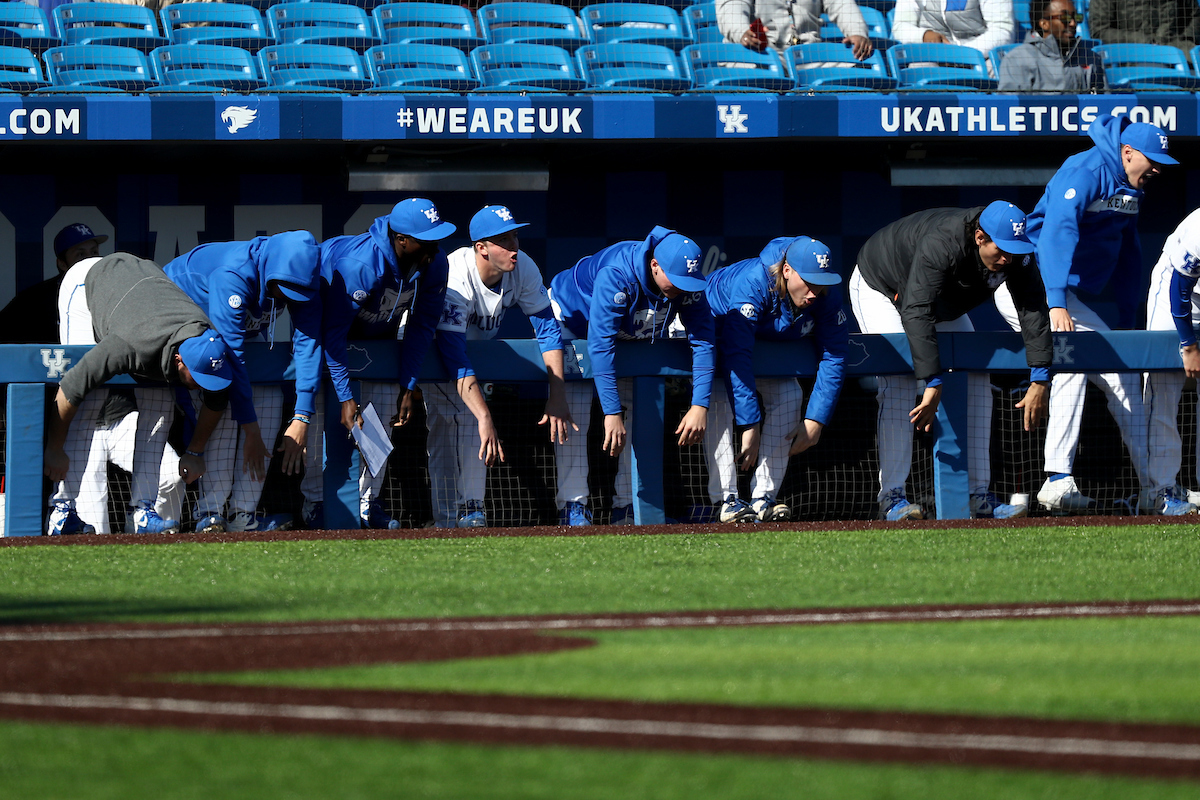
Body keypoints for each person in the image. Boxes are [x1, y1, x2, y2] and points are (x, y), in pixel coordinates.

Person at [993, 115, 1191, 515]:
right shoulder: (1086, 170)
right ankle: (1056, 479)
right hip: (1028, 285)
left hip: (1062, 294)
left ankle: (1155, 489)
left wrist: (1124, 315)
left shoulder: (1132, 188)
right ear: (1128, 152)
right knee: (1076, 358)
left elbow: (1128, 249)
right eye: (1150, 159)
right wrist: (1056, 301)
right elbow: (1055, 233)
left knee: (1124, 381)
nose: (1155, 168)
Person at [851, 201, 1052, 521]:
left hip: (938, 300)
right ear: (979, 237)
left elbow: (1033, 308)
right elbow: (917, 310)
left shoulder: (1013, 254)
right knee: (900, 381)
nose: (1007, 259)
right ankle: (892, 496)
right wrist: (931, 379)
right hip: (883, 286)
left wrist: (1040, 376)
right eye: (1001, 250)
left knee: (975, 375)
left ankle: (977, 494)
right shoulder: (943, 243)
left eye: (1014, 251)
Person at [47, 252, 234, 535]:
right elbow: (70, 389)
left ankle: (142, 512)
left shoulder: (208, 344)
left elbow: (216, 400)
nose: (203, 385)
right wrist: (54, 448)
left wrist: (195, 450)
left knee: (160, 404)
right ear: (179, 360)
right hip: (88, 282)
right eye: (198, 378)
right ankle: (62, 511)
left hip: (142, 286)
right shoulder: (133, 343)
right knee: (91, 400)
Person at [303, 197, 455, 529]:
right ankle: (314, 502)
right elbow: (333, 332)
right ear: (402, 240)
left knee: (378, 425)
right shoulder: (362, 263)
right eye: (427, 239)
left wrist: (408, 384)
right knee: (321, 420)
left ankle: (367, 503)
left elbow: (422, 325)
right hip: (327, 336)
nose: (436, 245)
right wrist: (345, 396)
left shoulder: (434, 262)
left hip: (377, 340)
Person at [549, 227, 715, 526]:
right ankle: (572, 506)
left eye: (687, 282)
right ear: (655, 266)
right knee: (576, 407)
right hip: (572, 317)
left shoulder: (683, 283)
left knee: (638, 409)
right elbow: (601, 345)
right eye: (676, 281)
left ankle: (626, 506)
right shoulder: (618, 273)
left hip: (627, 326)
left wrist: (700, 404)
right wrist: (611, 411)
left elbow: (703, 341)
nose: (681, 289)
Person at [159, 230, 322, 533]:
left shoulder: (302, 278)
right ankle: (210, 513)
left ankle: (243, 515)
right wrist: (252, 430)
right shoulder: (233, 273)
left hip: (231, 341)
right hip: (187, 332)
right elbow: (231, 357)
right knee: (221, 405)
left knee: (271, 398)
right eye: (284, 288)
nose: (290, 297)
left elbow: (309, 343)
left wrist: (302, 415)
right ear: (272, 270)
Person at [426, 204, 575, 528]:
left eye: (515, 236)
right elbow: (453, 354)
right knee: (464, 417)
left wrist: (557, 392)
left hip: (467, 353)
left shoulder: (523, 267)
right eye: (503, 241)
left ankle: (451, 517)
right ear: (480, 247)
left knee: (444, 433)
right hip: (428, 351)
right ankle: (467, 509)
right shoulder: (455, 274)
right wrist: (484, 414)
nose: (514, 247)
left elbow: (548, 328)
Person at [703, 235, 849, 523]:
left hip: (763, 345)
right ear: (787, 271)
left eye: (820, 283)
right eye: (808, 282)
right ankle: (727, 499)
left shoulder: (824, 294)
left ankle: (763, 498)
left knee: (790, 395)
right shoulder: (754, 282)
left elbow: (835, 356)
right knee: (719, 397)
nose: (814, 292)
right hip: (718, 332)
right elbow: (736, 353)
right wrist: (749, 423)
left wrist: (816, 419)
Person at [1144, 208, 1200, 514]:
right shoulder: (1199, 229)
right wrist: (1189, 345)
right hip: (1175, 296)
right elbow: (1180, 287)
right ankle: (1161, 490)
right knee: (1163, 390)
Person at [998, 0, 1106, 92]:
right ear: (1044, 23)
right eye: (1065, 18)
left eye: (1076, 17)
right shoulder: (1017, 59)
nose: (1073, 23)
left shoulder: (1091, 58)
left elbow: (1105, 105)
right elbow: (1010, 110)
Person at [716, 0, 874, 59]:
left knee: (857, 69)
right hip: (760, 53)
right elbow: (732, 6)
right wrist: (741, 31)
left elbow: (842, 5)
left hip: (809, 54)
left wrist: (857, 32)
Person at [892, 0, 1016, 69]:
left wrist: (962, 54)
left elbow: (1002, 30)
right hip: (935, 55)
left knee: (1000, 67)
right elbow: (900, 27)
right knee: (920, 67)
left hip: (980, 56)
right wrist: (924, 35)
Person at [1087, 0, 1198, 54]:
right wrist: (1145, 41)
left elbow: (1195, 15)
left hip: (1176, 47)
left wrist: (1187, 38)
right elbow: (1100, 31)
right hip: (1130, 53)